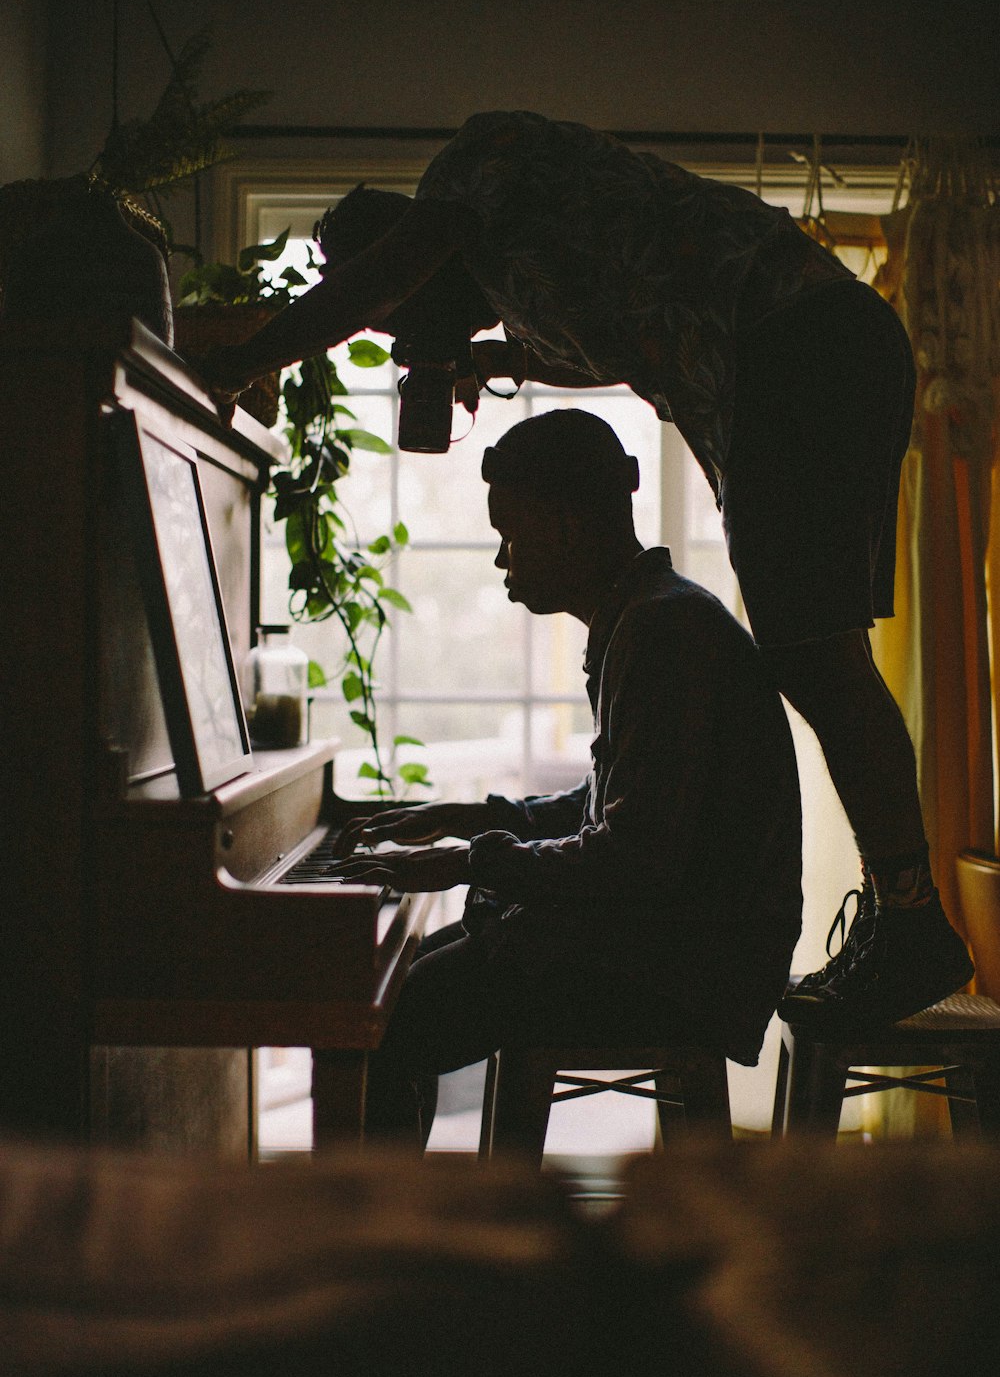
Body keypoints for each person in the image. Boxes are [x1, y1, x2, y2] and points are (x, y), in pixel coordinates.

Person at [202, 110, 973, 1029]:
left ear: (407, 266)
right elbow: (607, 345)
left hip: (796, 344)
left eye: (399, 328)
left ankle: (913, 924)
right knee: (820, 653)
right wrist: (493, 358)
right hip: (793, 358)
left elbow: (388, 275)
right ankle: (908, 916)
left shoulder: (473, 166)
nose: (411, 351)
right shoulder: (530, 278)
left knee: (814, 658)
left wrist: (250, 356)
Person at [323, 408, 802, 1145]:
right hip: (683, 942)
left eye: (508, 533)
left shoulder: (662, 632)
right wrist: (459, 816)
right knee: (407, 979)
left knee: (394, 1012)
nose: (499, 557)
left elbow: (633, 854)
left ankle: (390, 1246)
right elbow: (605, 806)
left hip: (693, 970)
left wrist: (462, 861)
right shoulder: (649, 614)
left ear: (568, 525)